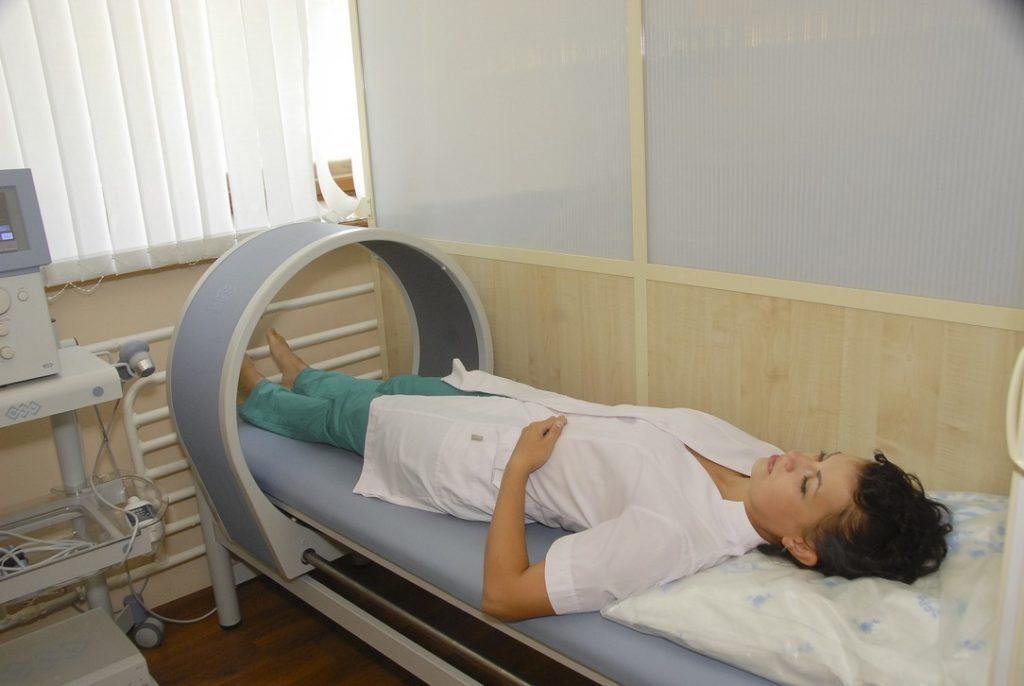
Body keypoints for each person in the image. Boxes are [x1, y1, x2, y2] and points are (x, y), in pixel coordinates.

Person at [238, 330, 952, 621]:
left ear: (801, 546)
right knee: (396, 386)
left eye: (809, 484)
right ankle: (307, 376)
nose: (796, 460)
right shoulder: (758, 463)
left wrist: (519, 471)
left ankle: (257, 399)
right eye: (819, 457)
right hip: (507, 405)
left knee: (354, 420)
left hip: (482, 456)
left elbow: (504, 595)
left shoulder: (675, 535)